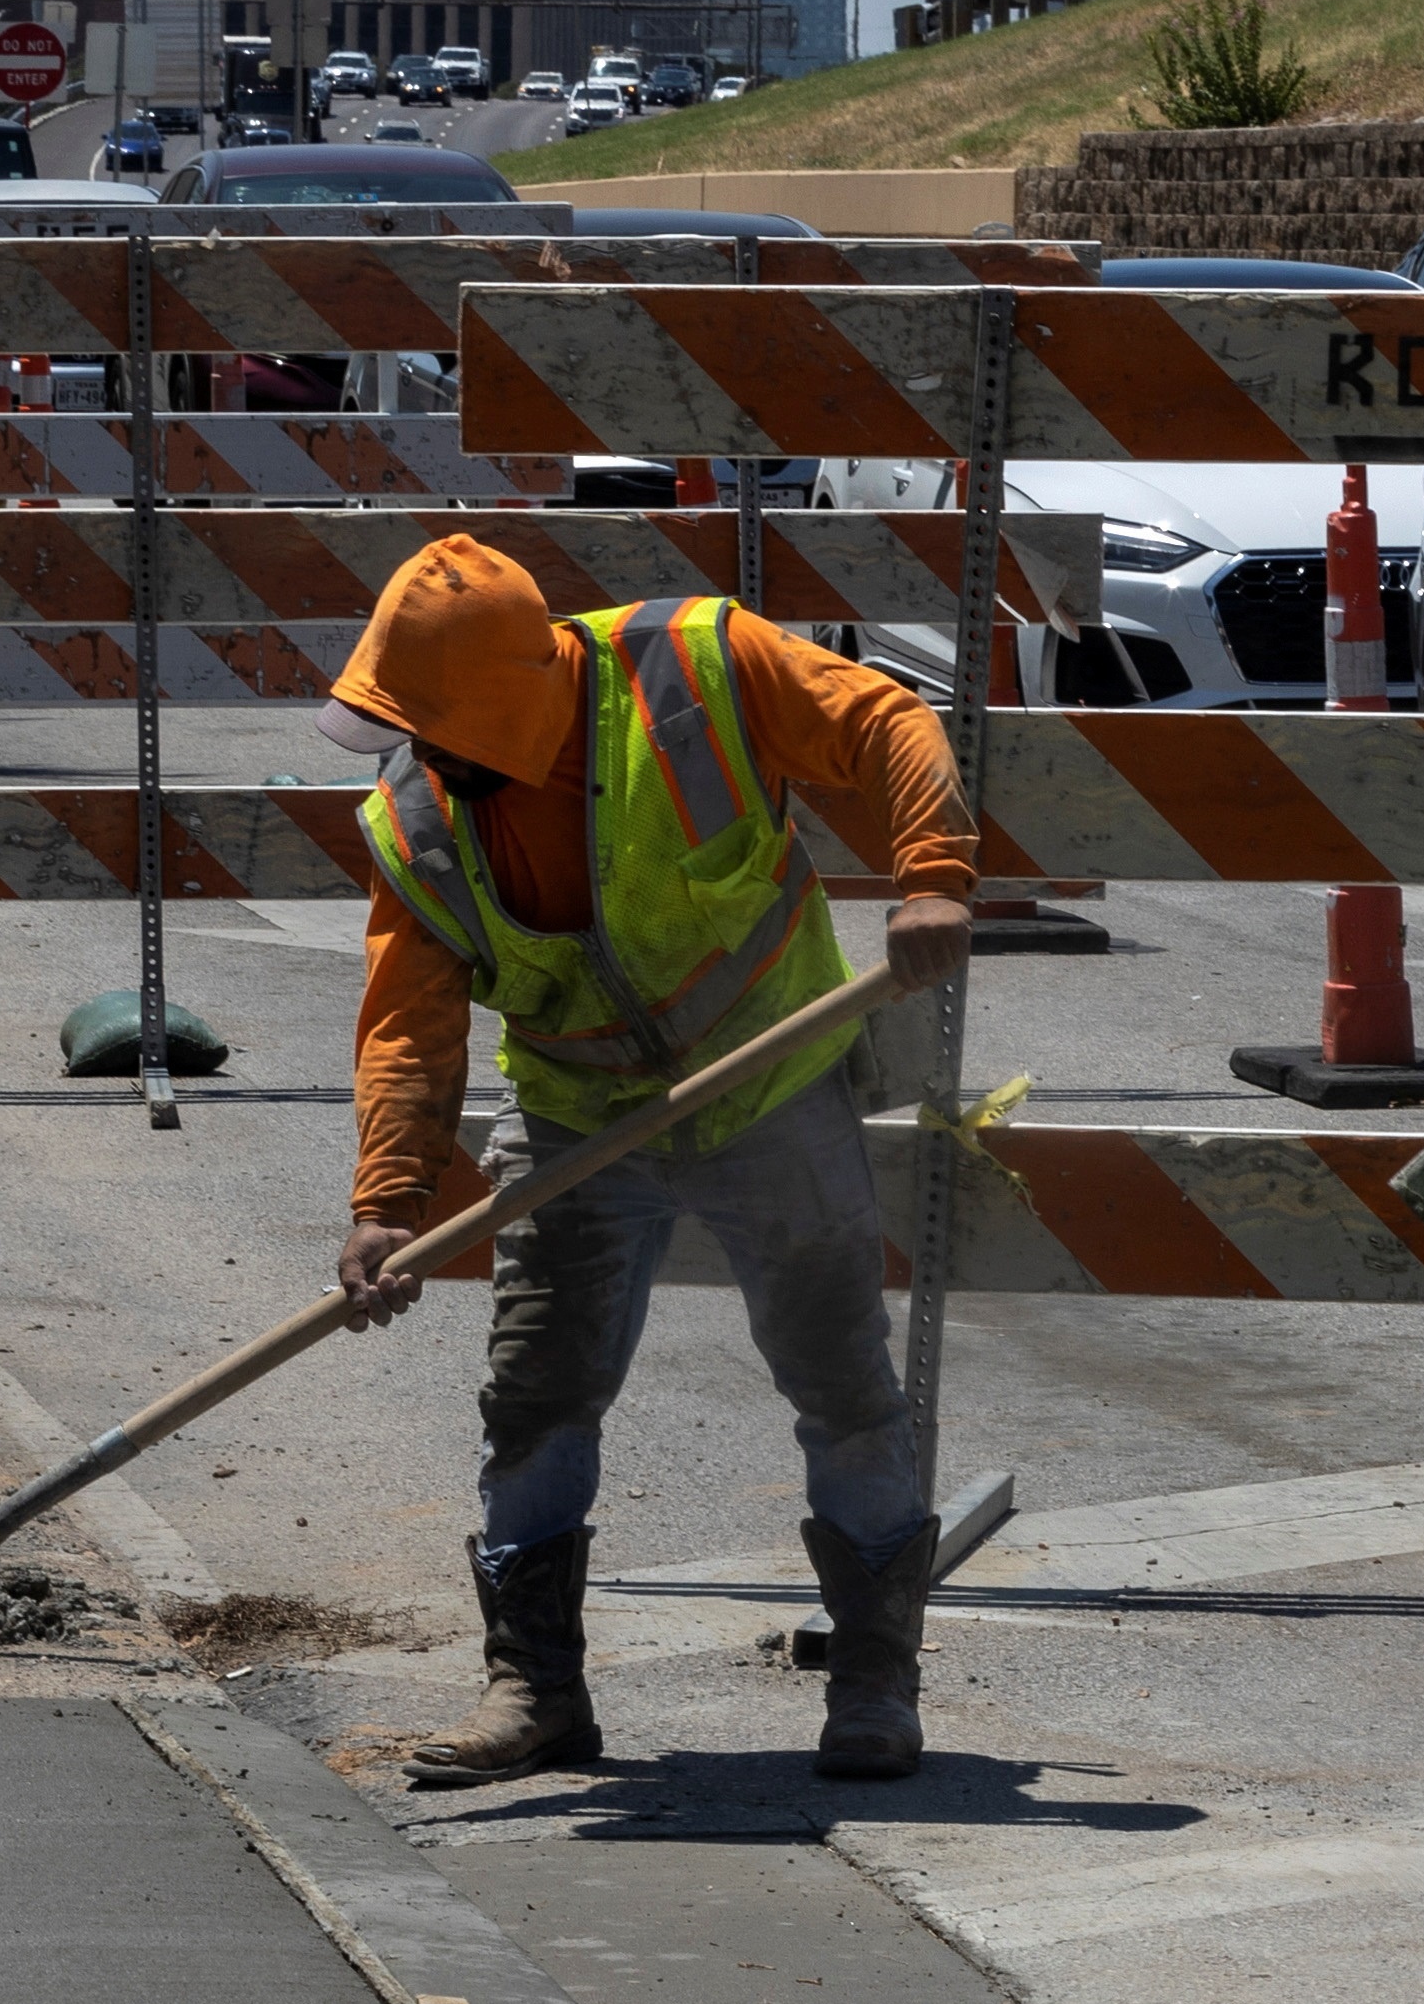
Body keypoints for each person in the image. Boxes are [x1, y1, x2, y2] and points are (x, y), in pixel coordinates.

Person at [320, 536, 981, 1786]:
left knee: (840, 1385)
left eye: (430, 725)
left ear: (499, 710)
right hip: (578, 1117)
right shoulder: (420, 817)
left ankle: (875, 1685)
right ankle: (536, 1688)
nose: (416, 755)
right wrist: (386, 1204)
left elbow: (891, 721)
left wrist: (930, 880)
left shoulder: (699, 671)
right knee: (535, 1398)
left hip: (768, 1091)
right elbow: (408, 1023)